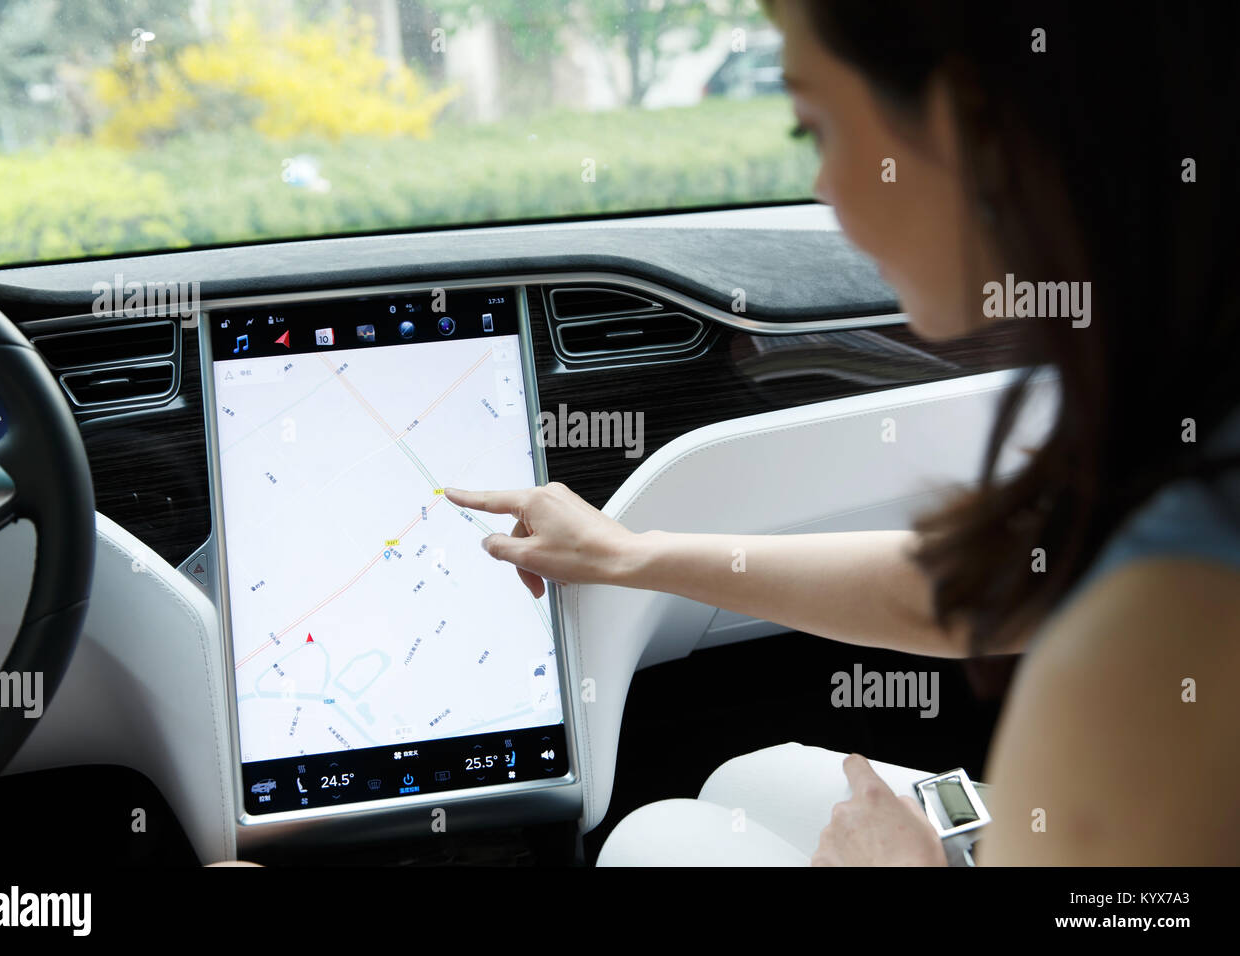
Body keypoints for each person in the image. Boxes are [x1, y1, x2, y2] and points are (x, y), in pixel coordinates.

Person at [443, 0, 1240, 865]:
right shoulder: (1178, 435)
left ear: (964, 124)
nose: (823, 186)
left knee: (653, 839)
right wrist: (635, 558)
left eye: (812, 129)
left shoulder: (1167, 615)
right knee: (752, 780)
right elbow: (985, 581)